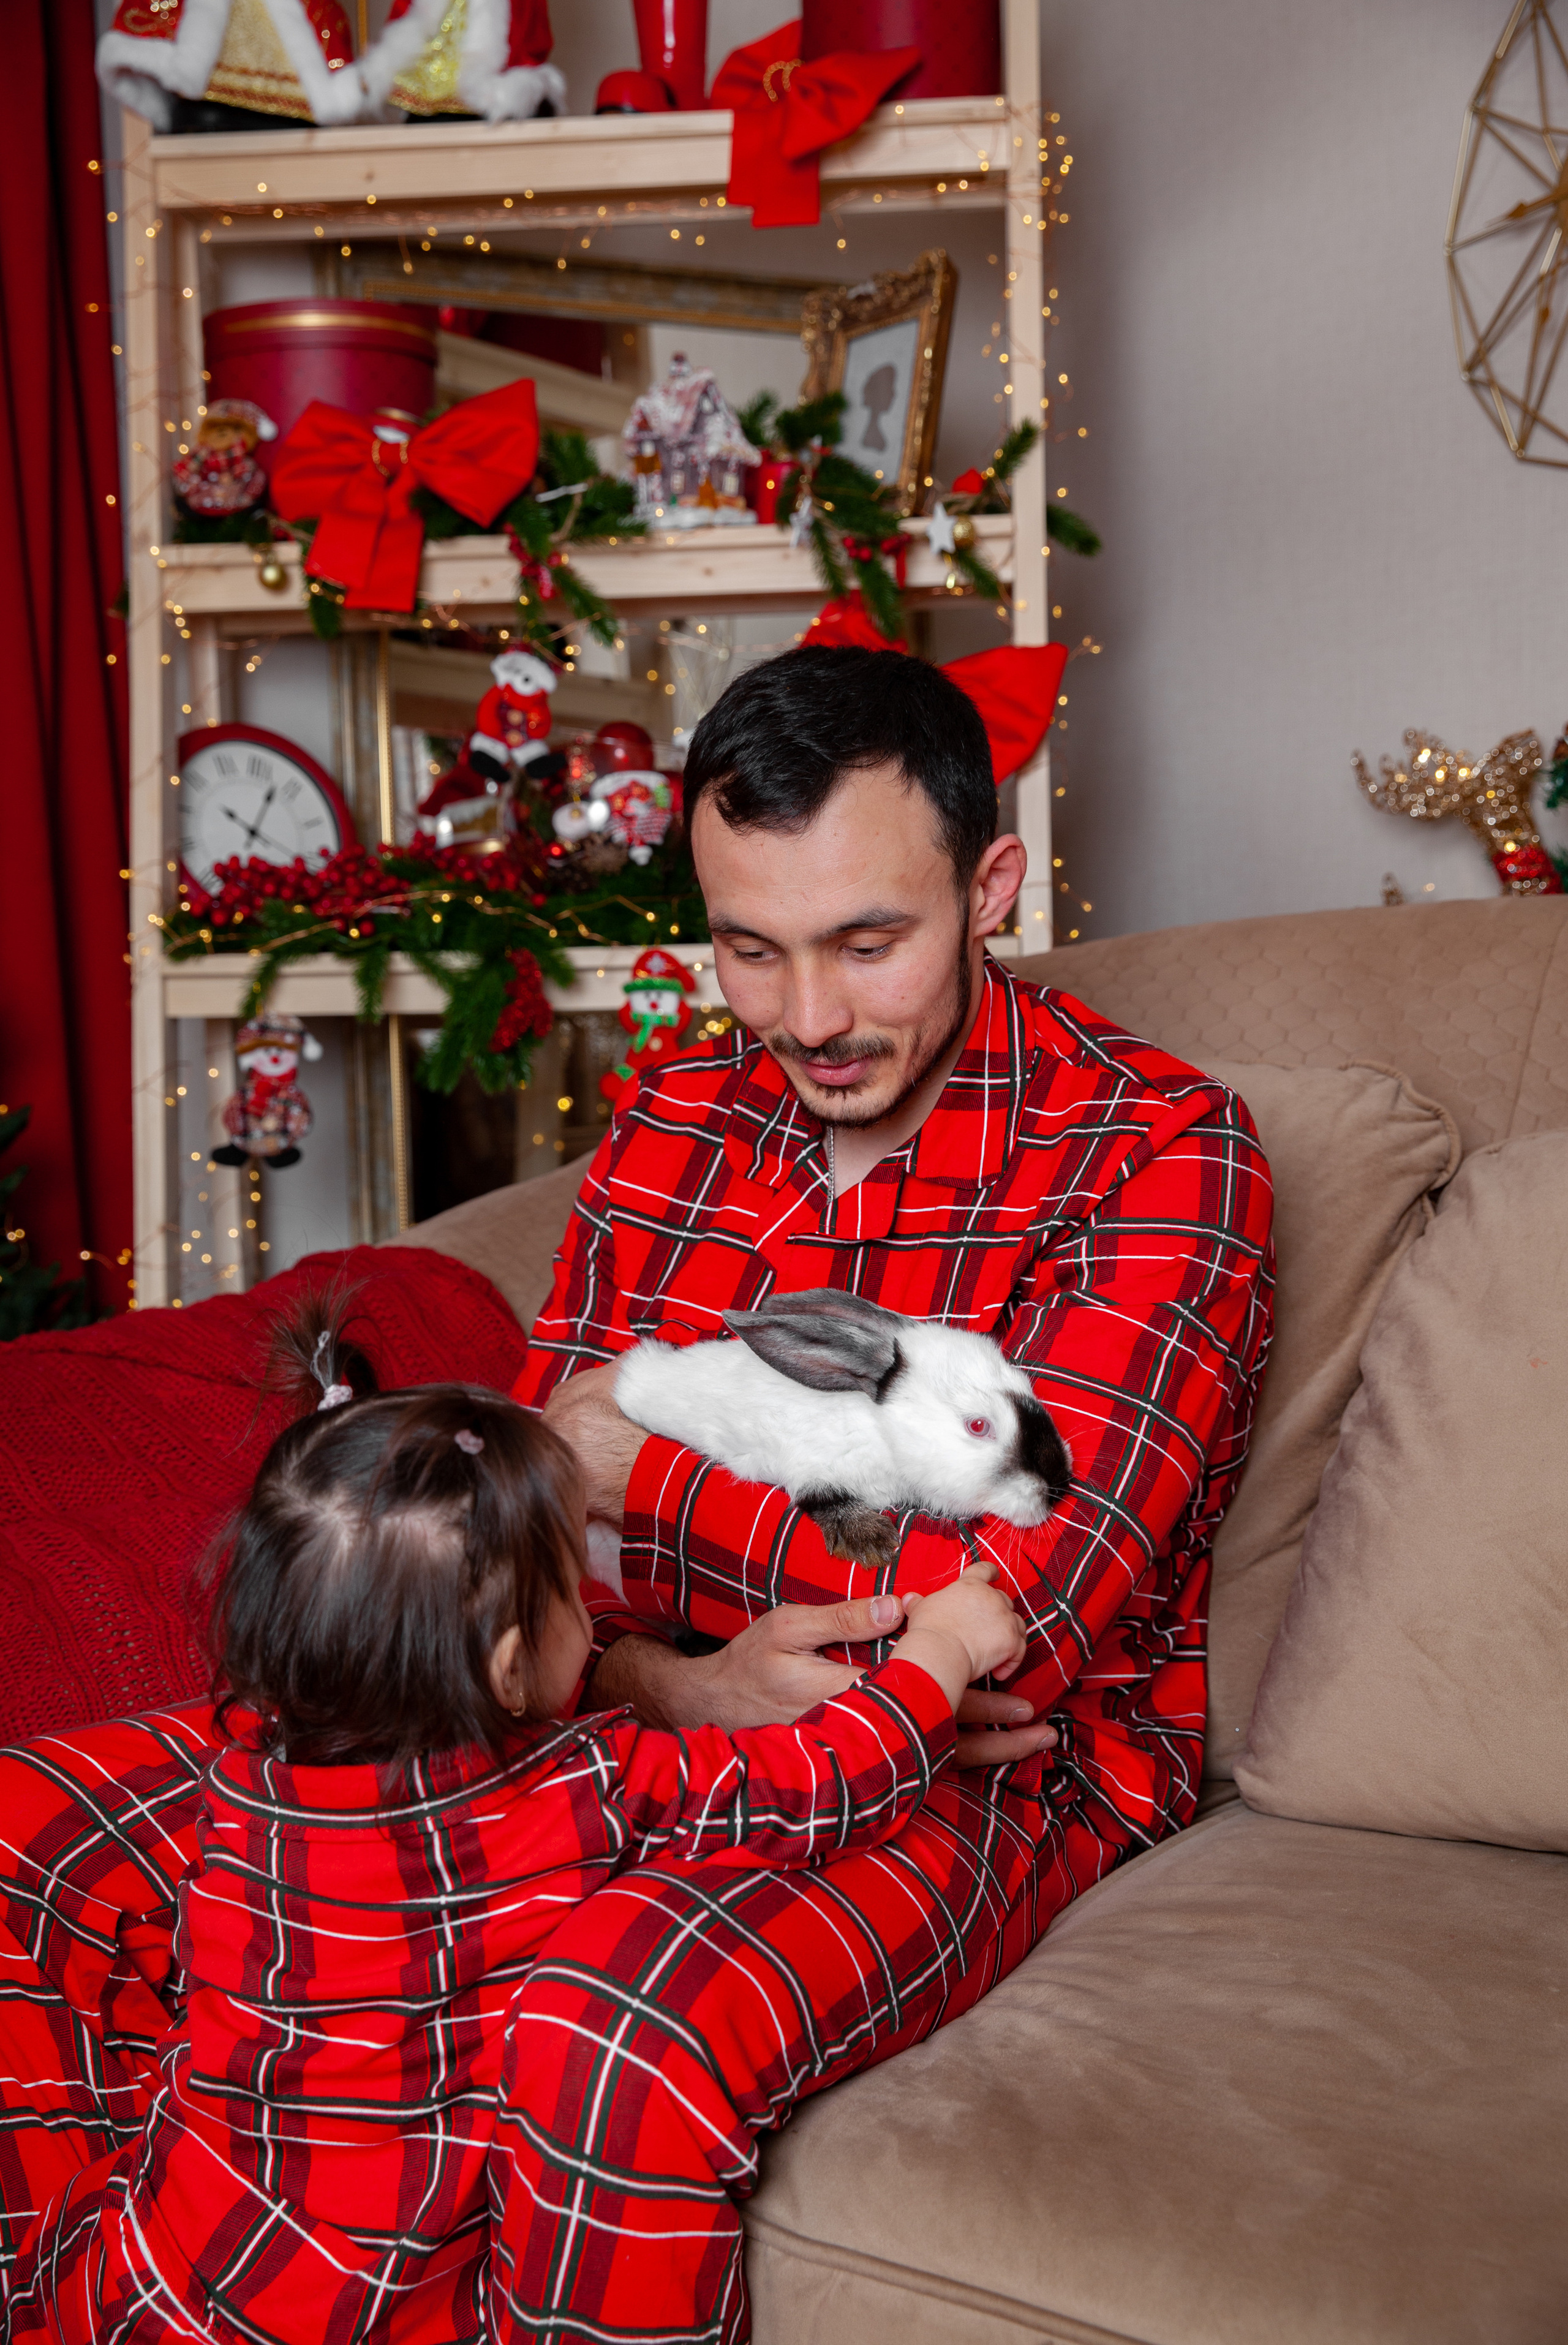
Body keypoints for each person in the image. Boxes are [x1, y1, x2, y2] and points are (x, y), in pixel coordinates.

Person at [0, 643, 1272, 2344]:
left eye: (866, 942)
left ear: (992, 886)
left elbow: (1008, 1601)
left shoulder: (1157, 1151)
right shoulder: (677, 1112)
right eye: (752, 946)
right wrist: (659, 1672)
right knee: (27, 1837)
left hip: (984, 1766)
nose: (807, 1015)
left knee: (609, 2032)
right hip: (611, 1696)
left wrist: (624, 1451)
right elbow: (506, 1528)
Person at [1, 1296, 1024, 2339]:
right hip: (354, 2302)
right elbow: (816, 1780)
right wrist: (933, 1660)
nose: (595, 1610)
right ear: (507, 1669)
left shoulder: (244, 1778)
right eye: (576, 1594)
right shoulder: (572, 1791)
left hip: (169, 2246)